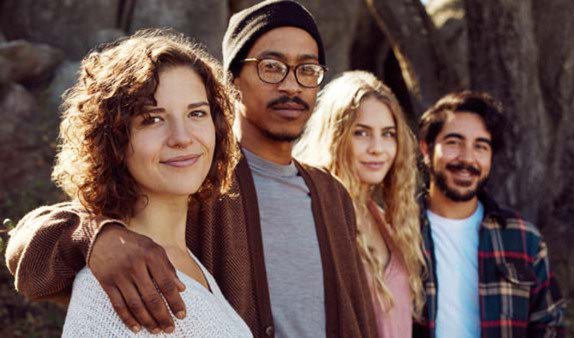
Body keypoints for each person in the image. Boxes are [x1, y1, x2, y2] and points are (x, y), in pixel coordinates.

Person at [5, 1, 377, 337]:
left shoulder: (330, 193)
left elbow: (356, 311)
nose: (291, 84)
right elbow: (31, 247)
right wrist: (95, 236)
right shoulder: (199, 180)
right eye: (271, 67)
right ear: (231, 82)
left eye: (307, 70)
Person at [44, 29, 250, 336]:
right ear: (112, 139)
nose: (182, 138)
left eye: (196, 113)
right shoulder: (115, 285)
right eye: (152, 118)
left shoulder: (187, 258)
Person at [413, 91, 566, 338]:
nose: (467, 158)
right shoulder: (396, 229)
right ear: (426, 149)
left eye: (481, 146)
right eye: (454, 142)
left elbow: (549, 326)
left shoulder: (523, 239)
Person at [295, 70, 426, 338]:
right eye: (362, 133)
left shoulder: (384, 219)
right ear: (336, 137)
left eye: (388, 134)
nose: (377, 148)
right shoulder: (314, 214)